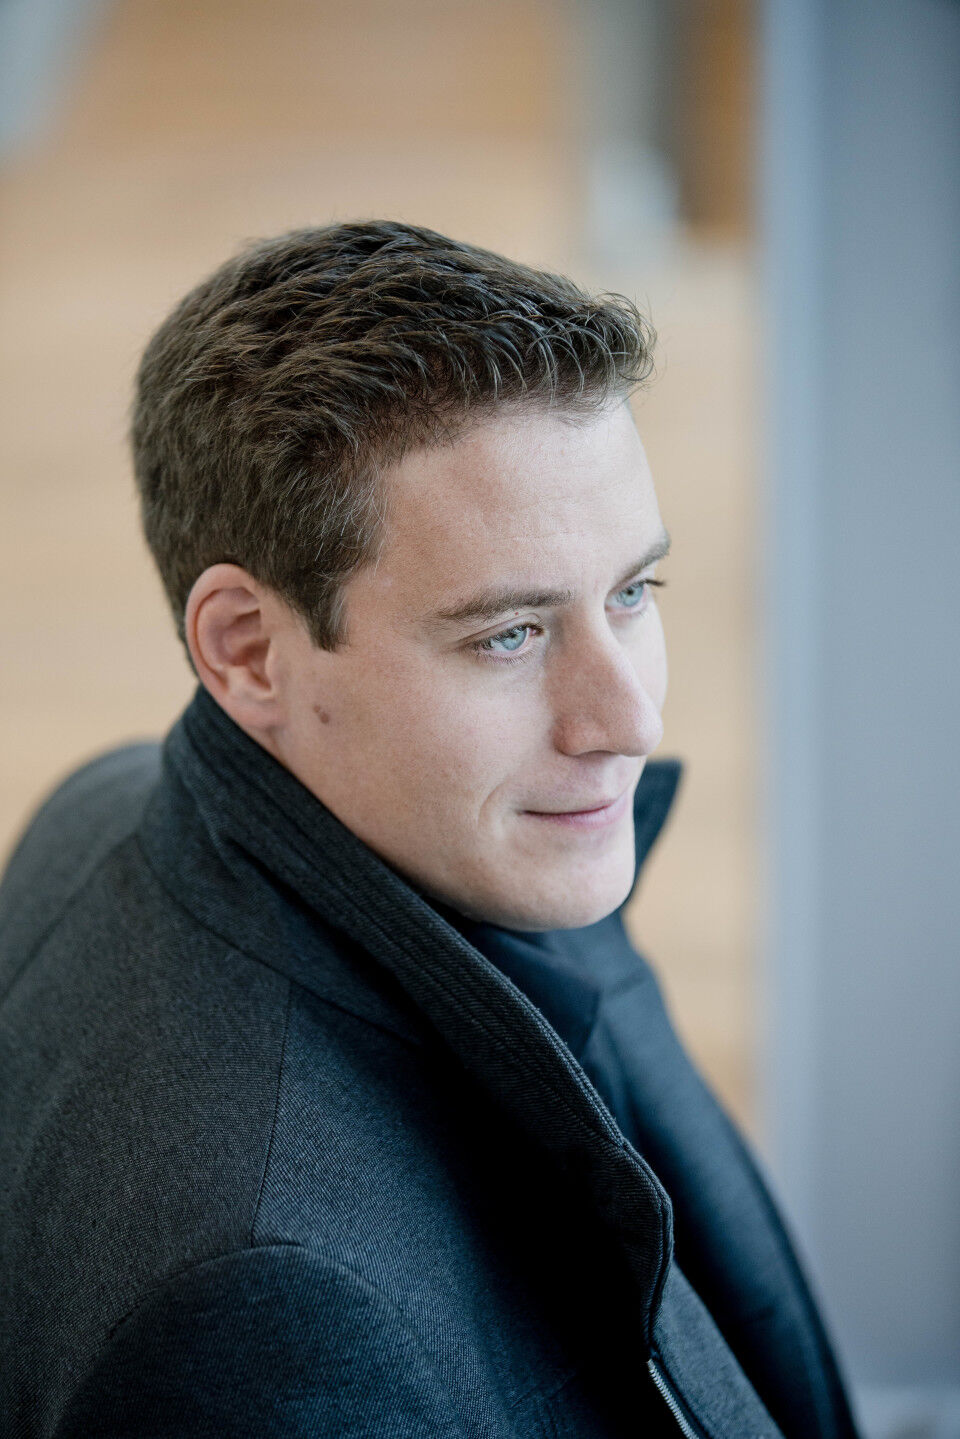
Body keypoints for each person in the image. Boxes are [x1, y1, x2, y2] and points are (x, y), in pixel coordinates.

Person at [0, 221, 859, 1438]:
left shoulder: (119, 796)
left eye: (632, 591)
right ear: (246, 650)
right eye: (509, 634)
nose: (630, 718)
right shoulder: (268, 1310)